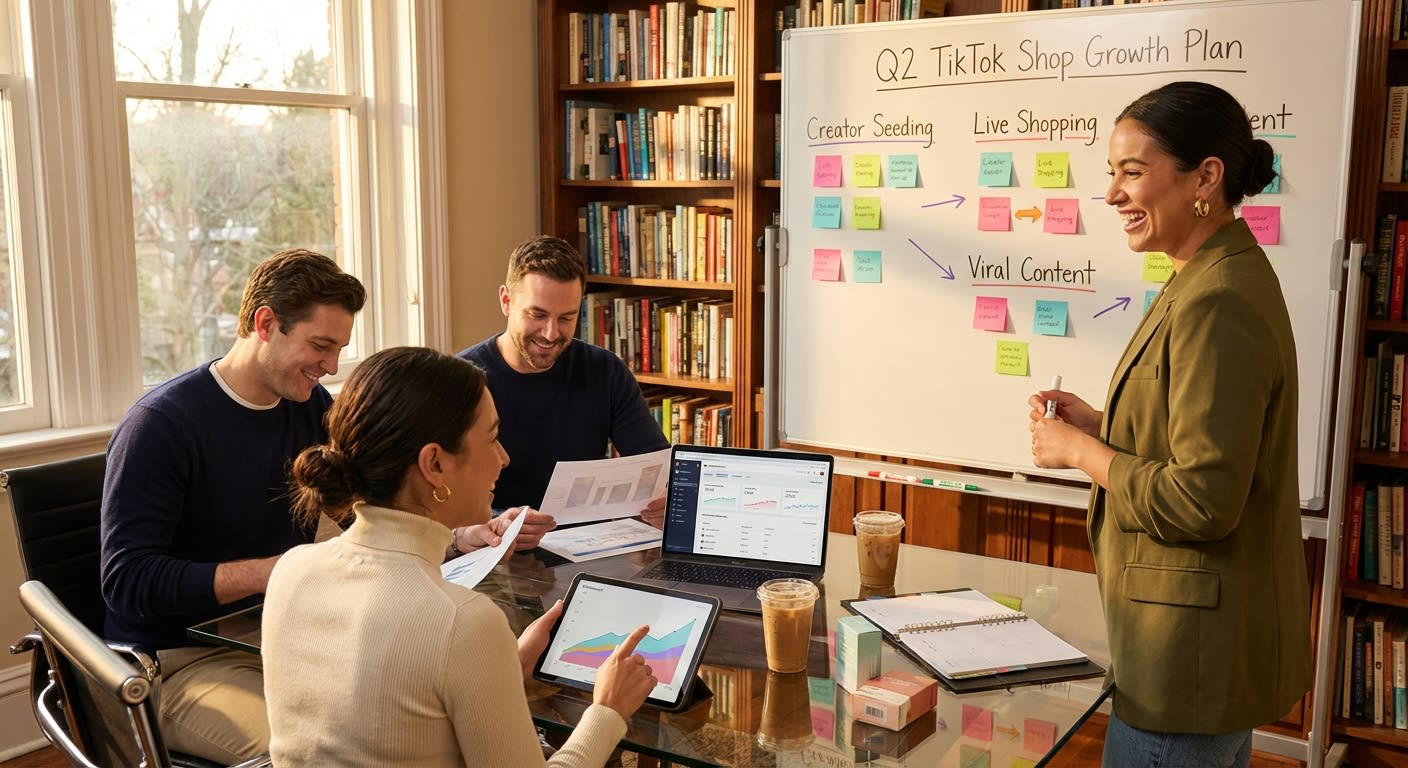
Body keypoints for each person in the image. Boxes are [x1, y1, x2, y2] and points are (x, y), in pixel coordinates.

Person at [1027, 81, 1312, 768]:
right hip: (1191, 646)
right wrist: (1103, 421)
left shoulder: (1218, 299)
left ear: (1205, 177)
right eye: (1111, 174)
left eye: (1133, 171)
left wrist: (1080, 451)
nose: (1113, 194)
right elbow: (1189, 427)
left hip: (1187, 657)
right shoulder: (1203, 274)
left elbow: (1202, 501)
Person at [262, 346, 657, 766]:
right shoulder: (463, 622)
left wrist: (506, 666)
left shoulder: (292, 570)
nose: (503, 458)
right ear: (434, 464)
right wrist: (608, 711)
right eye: (491, 438)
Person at [99, 248, 366, 762]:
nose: (330, 367)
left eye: (338, 349)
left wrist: (457, 537)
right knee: (318, 752)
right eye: (320, 345)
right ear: (266, 323)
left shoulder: (310, 408)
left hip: (275, 639)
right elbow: (128, 581)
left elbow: (355, 509)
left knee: (404, 717)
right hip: (173, 664)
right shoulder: (161, 426)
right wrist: (277, 571)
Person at [455, 235, 670, 544]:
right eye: (537, 315)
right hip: (493, 549)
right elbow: (438, 500)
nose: (551, 333)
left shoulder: (605, 371)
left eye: (566, 318)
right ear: (506, 301)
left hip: (589, 548)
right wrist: (497, 523)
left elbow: (656, 467)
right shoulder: (460, 382)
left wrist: (662, 500)